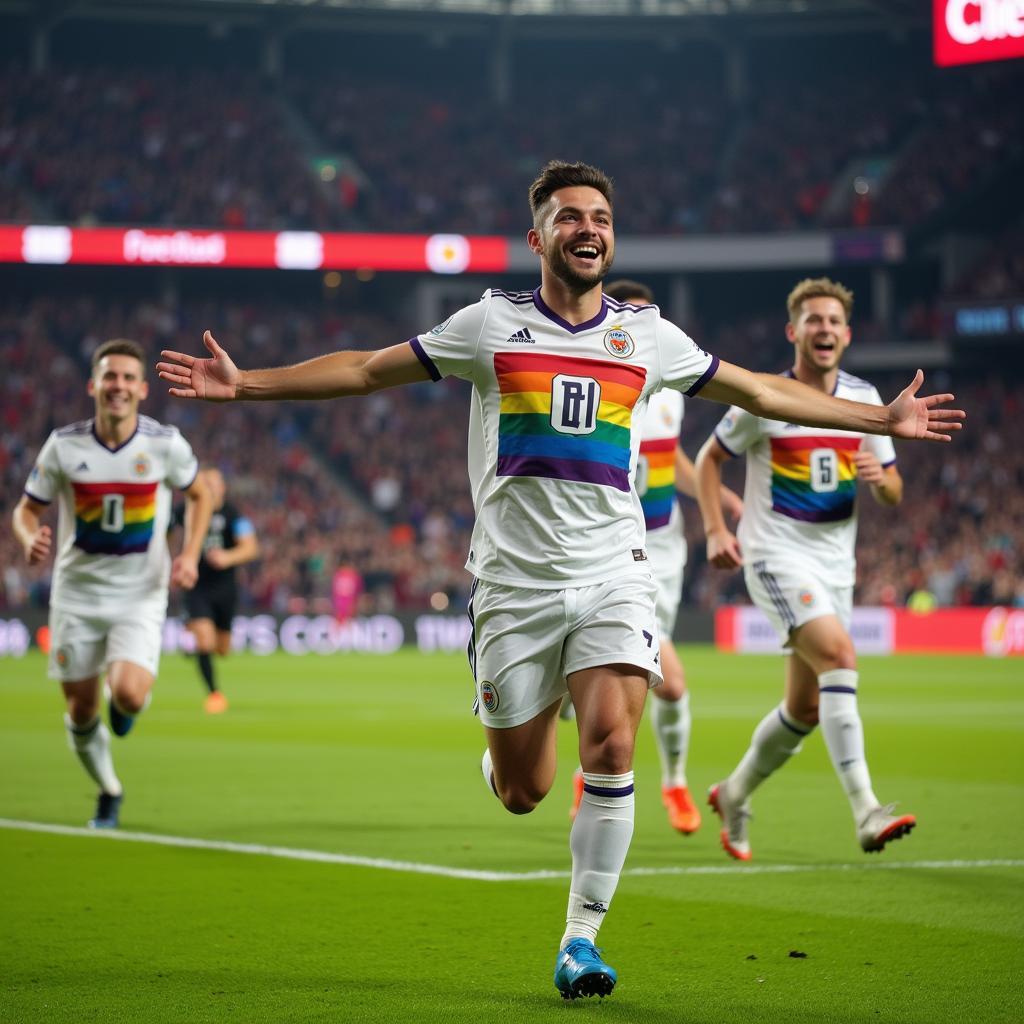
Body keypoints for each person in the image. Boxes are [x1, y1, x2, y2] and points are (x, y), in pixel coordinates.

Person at [156, 162, 962, 1000]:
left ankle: (580, 939)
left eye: (602, 217)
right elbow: (365, 369)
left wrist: (881, 418)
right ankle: (503, 757)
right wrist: (247, 383)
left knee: (613, 743)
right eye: (570, 216)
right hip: (513, 588)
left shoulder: (647, 335)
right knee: (523, 789)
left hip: (616, 571)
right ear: (539, 237)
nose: (589, 228)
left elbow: (760, 388)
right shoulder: (489, 325)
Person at [694, 277, 916, 861]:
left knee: (807, 707)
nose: (824, 329)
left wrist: (883, 480)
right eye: (813, 320)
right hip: (775, 557)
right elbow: (709, 460)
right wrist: (717, 528)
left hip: (835, 566)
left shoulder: (867, 398)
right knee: (841, 657)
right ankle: (867, 809)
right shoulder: (769, 397)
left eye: (834, 321)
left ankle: (734, 792)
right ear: (794, 332)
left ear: (847, 334)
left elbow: (894, 491)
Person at [566, 279, 743, 836]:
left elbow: (674, 461)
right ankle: (649, 777)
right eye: (631, 318)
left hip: (665, 553)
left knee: (649, 680)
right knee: (645, 679)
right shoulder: (597, 387)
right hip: (610, 549)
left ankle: (648, 778)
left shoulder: (667, 393)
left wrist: (715, 496)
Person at [13, 338, 212, 829]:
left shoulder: (164, 443)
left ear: (142, 389)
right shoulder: (64, 444)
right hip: (76, 595)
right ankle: (109, 789)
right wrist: (26, 537)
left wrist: (188, 554)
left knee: (128, 696)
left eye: (127, 378)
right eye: (109, 376)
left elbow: (201, 495)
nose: (117, 386)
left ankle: (123, 709)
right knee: (81, 711)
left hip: (140, 595)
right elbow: (26, 509)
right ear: (93, 385)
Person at [174, 466, 259, 713]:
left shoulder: (234, 516)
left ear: (223, 488)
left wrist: (227, 557)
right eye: (205, 483)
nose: (209, 487)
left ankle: (196, 642)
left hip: (225, 588)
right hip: (196, 584)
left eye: (214, 483)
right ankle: (214, 694)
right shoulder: (185, 510)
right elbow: (166, 530)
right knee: (205, 638)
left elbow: (250, 548)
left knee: (222, 648)